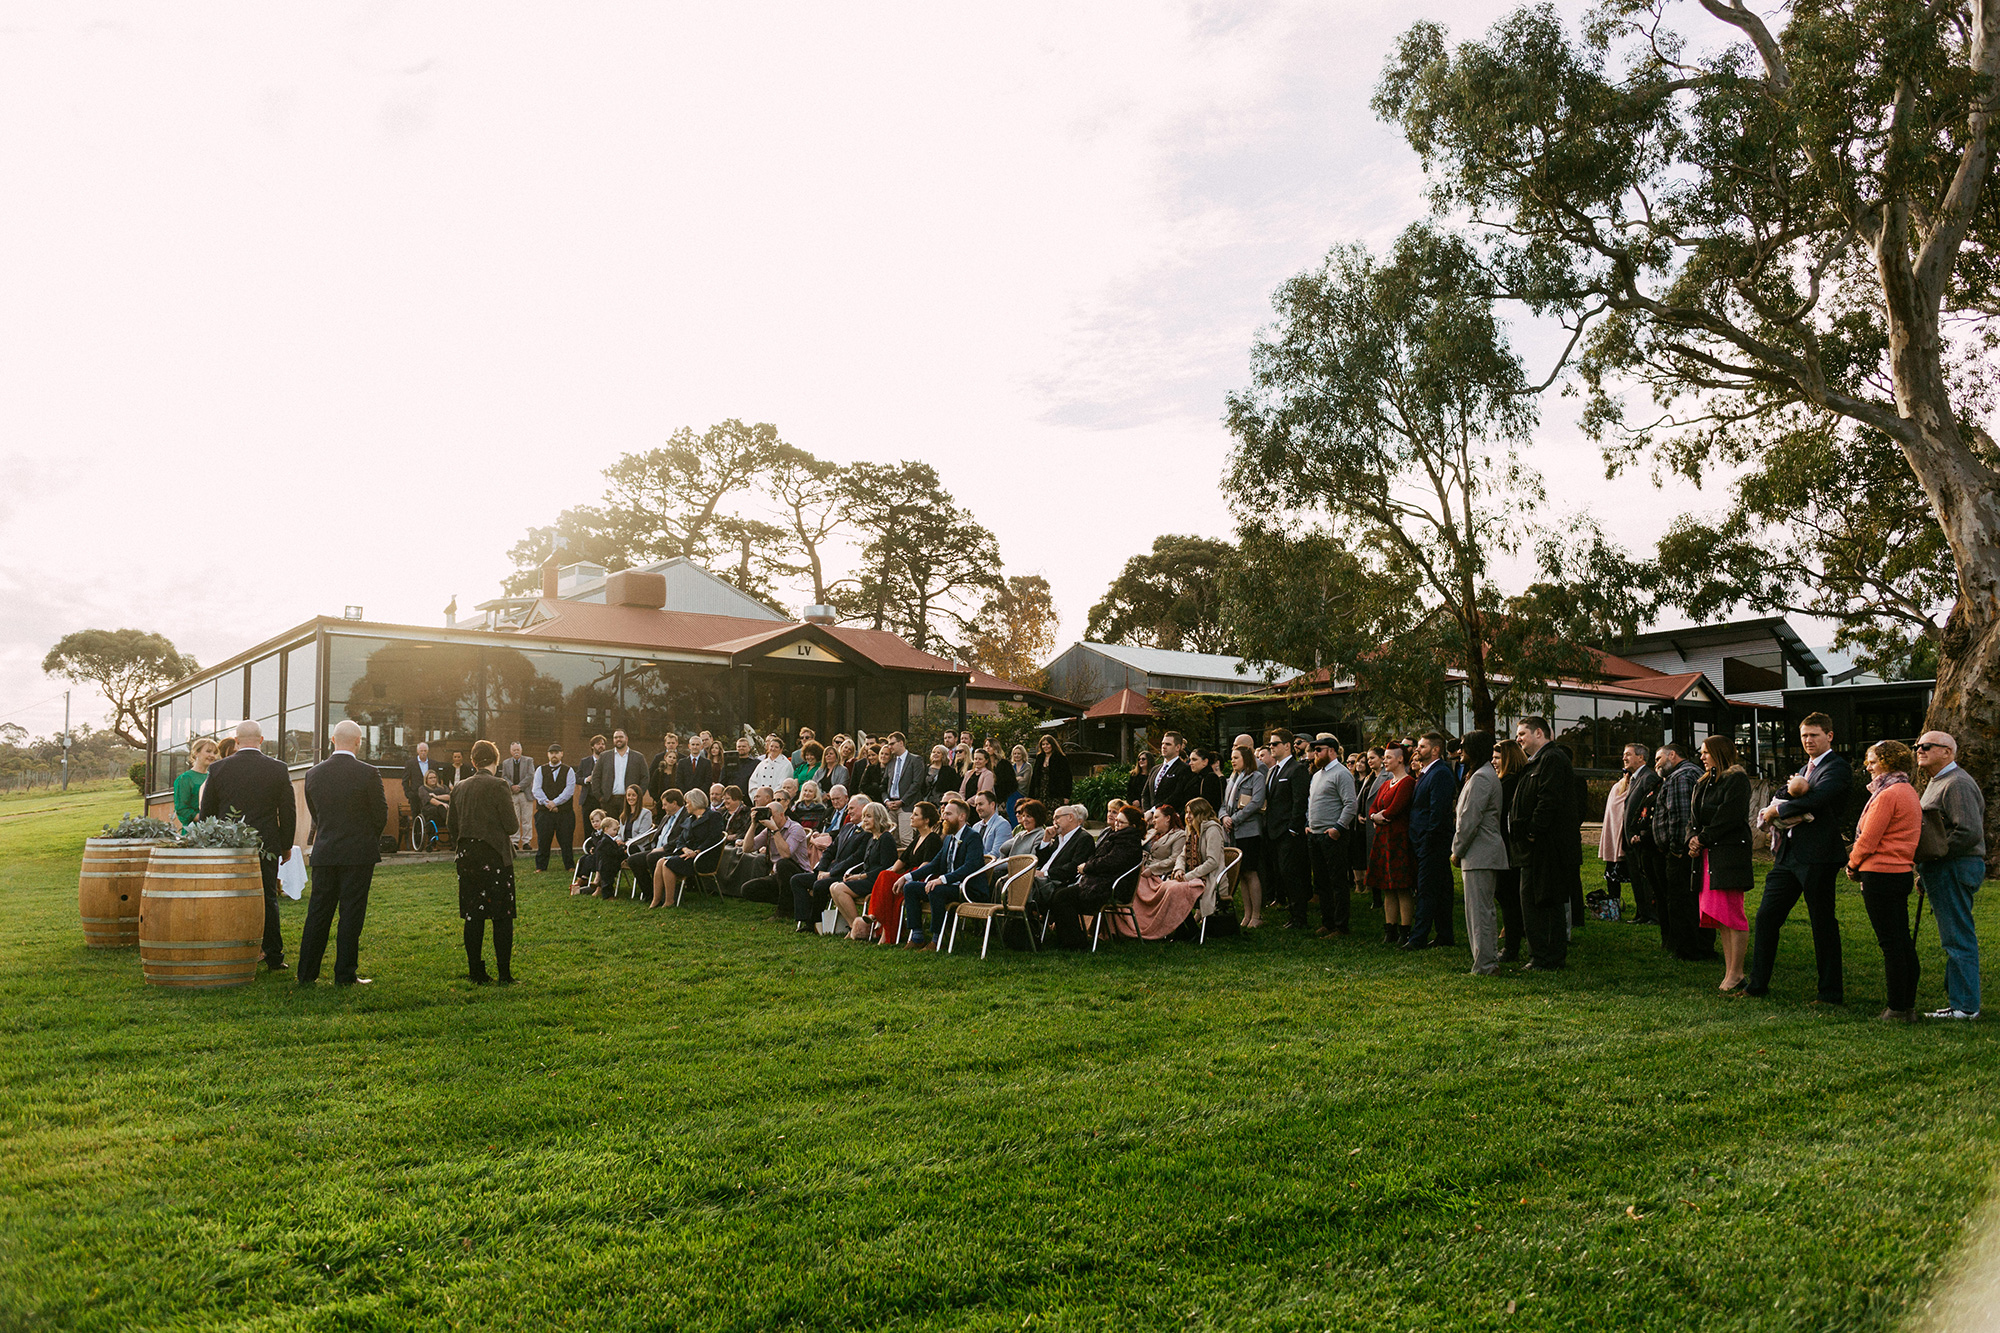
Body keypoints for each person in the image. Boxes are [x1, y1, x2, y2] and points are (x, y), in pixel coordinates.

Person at [1746, 712, 1851, 1004]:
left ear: (1829, 736)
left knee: (1822, 923)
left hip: (1818, 856)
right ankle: (1757, 985)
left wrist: (1777, 811)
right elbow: (1784, 791)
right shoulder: (1805, 768)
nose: (1808, 741)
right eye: (1804, 736)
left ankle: (1830, 993)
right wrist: (1788, 798)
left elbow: (1817, 800)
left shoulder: (1837, 767)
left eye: (1814, 735)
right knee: (1766, 917)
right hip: (1787, 855)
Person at [198, 720, 298, 972]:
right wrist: (286, 845)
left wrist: (212, 842)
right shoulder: (278, 768)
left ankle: (227, 949)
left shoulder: (219, 768)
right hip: (265, 842)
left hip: (228, 845)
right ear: (261, 741)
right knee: (267, 896)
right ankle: (274, 956)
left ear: (237, 740)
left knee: (226, 895)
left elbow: (207, 811)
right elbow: (287, 811)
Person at [298, 719, 389, 987]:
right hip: (358, 853)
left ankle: (306, 973)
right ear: (359, 742)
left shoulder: (313, 774)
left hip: (326, 850)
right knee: (351, 914)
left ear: (332, 740)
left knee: (318, 912)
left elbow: (316, 813)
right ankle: (345, 974)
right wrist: (365, 837)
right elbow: (380, 814)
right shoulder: (369, 772)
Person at [1849, 740, 1923, 1022]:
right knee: (1902, 941)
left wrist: (1852, 863)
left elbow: (1868, 839)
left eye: (1872, 761)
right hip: (1901, 872)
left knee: (1891, 944)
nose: (1867, 766)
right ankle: (1908, 1006)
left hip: (1879, 874)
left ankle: (1895, 1008)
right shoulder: (1908, 791)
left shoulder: (1888, 794)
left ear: (1888, 762)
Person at [1915, 730, 1987, 1020]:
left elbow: (1968, 832)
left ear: (1947, 752)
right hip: (1943, 867)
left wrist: (1935, 855)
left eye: (1927, 746)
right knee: (1953, 936)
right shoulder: (1937, 781)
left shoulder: (1956, 783)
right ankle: (1958, 1001)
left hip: (1955, 866)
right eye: (1917, 746)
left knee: (1958, 937)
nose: (1919, 750)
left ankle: (1966, 1007)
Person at [1508, 717, 1582, 972]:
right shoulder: (1536, 762)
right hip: (1535, 848)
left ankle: (1548, 958)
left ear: (1539, 732)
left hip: (1546, 848)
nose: (1518, 739)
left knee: (1545, 903)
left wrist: (1532, 831)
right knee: (1531, 902)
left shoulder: (1552, 759)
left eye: (1522, 734)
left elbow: (1548, 800)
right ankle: (1539, 955)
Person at [447, 739, 520, 984]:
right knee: (502, 915)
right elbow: (511, 825)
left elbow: (451, 825)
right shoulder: (499, 785)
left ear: (473, 761)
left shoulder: (459, 787)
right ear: (496, 761)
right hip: (494, 855)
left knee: (472, 915)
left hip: (467, 856)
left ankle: (475, 972)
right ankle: (504, 973)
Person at [1688, 735, 1754, 993]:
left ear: (1719, 752)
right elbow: (1693, 816)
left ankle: (1736, 972)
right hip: (1707, 855)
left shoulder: (1736, 780)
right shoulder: (1704, 781)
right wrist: (1691, 839)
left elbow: (1730, 815)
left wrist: (1702, 839)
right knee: (1721, 917)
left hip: (1728, 855)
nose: (1702, 757)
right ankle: (1730, 971)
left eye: (1706, 752)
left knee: (1732, 914)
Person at [1048, 805, 1145, 950]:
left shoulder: (1128, 842)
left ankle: (1075, 942)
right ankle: (1069, 938)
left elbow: (1110, 863)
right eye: (1117, 821)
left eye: (1121, 822)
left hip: (1111, 888)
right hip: (1101, 883)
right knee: (1060, 893)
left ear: (1132, 826)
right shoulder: (1117, 838)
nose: (1117, 824)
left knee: (1062, 897)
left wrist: (1087, 867)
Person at [1451, 731, 1507, 976]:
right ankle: (1485, 962)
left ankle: (1485, 965)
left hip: (1480, 853)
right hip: (1479, 853)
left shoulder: (1482, 778)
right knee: (1480, 911)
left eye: (1463, 746)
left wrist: (1456, 850)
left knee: (1479, 912)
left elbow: (1469, 820)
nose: (1459, 750)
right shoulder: (1479, 775)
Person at [1651, 742, 1713, 963]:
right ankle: (1701, 946)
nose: (1656, 764)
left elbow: (1681, 816)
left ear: (1673, 755)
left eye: (1659, 759)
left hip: (1682, 854)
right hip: (1693, 851)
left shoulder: (1680, 777)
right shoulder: (1695, 773)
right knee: (1696, 901)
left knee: (1681, 902)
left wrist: (1678, 850)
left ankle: (1688, 950)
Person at [905, 796, 985, 951]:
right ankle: (917, 936)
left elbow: (970, 866)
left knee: (936, 889)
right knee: (911, 888)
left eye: (948, 814)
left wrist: (942, 879)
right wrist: (907, 877)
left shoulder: (972, 837)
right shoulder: (949, 838)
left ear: (961, 816)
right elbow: (934, 864)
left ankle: (937, 939)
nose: (943, 818)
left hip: (968, 889)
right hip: (950, 887)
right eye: (944, 814)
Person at [792, 794, 873, 932]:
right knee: (797, 880)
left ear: (864, 808)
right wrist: (820, 870)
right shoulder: (847, 827)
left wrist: (830, 873)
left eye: (852, 808)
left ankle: (814, 923)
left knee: (820, 885)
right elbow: (830, 850)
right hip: (830, 871)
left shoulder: (868, 832)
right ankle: (804, 918)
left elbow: (856, 858)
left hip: (847, 875)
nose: (849, 811)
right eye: (848, 809)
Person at [865, 799, 942, 942]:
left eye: (915, 815)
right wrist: (893, 872)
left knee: (887, 879)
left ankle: (877, 918)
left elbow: (926, 866)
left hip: (921, 877)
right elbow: (901, 861)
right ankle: (880, 922)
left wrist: (905, 877)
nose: (911, 817)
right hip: (908, 875)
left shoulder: (933, 839)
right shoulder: (917, 838)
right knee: (885, 875)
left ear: (926, 820)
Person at [1304, 734, 1358, 937]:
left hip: (1332, 836)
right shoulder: (1317, 774)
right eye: (1314, 750)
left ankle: (1341, 926)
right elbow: (1312, 802)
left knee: (1337, 882)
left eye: (1320, 750)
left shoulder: (1341, 773)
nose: (1315, 753)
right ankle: (1327, 922)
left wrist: (1338, 828)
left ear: (1332, 751)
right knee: (1321, 882)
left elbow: (1350, 804)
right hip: (1315, 835)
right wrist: (1309, 824)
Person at [1366, 740, 1416, 944]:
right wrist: (1375, 816)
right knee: (1388, 887)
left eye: (1388, 757)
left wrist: (1379, 816)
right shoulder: (1386, 784)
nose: (1385, 761)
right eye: (1384, 757)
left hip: (1399, 839)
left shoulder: (1408, 782)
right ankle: (1390, 929)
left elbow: (1394, 809)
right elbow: (1373, 808)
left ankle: (1405, 929)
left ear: (1400, 759)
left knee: (1402, 887)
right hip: (1384, 839)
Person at [826, 802, 899, 936]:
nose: (864, 820)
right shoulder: (872, 838)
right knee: (833, 887)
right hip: (867, 877)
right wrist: (855, 875)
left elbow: (886, 867)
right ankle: (855, 926)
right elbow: (867, 865)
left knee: (839, 888)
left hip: (878, 881)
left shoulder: (886, 838)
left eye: (869, 816)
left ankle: (859, 928)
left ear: (878, 818)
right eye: (864, 816)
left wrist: (860, 877)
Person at [651, 788, 725, 907]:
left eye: (687, 802)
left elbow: (714, 838)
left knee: (667, 864)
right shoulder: (690, 819)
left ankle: (669, 901)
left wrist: (697, 851)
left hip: (703, 857)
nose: (685, 806)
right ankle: (656, 899)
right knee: (660, 861)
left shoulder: (713, 816)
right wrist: (685, 849)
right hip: (687, 854)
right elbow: (681, 839)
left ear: (695, 802)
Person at [1264, 728, 1309, 918]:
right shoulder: (1273, 770)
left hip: (1287, 831)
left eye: (1275, 744)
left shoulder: (1296, 769)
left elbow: (1300, 801)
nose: (1271, 747)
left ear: (1287, 746)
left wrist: (1292, 827)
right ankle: (1292, 910)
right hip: (1272, 829)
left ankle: (1299, 915)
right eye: (1270, 744)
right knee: (1281, 873)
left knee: (1291, 872)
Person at [1222, 744, 1267, 928]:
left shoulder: (1256, 777)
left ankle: (1256, 915)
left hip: (1249, 832)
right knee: (1241, 874)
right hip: (1233, 832)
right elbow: (1224, 803)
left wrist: (1235, 819)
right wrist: (1224, 817)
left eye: (1236, 757)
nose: (1232, 761)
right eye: (1231, 757)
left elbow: (1256, 803)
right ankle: (1247, 915)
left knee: (1251, 871)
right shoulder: (1232, 778)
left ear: (1246, 759)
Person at [1492, 739, 1529, 962]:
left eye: (1497, 758)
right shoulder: (1511, 781)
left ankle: (1511, 945)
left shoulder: (1508, 784)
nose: (1493, 762)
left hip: (1507, 847)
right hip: (1508, 847)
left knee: (1508, 896)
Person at [1619, 744, 1662, 928]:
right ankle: (1642, 913)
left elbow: (1652, 807)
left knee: (1646, 879)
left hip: (1642, 840)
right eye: (1624, 755)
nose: (1624, 758)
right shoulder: (1635, 778)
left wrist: (1641, 833)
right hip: (1631, 840)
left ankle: (1652, 915)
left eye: (1628, 754)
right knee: (1636, 878)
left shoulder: (1649, 778)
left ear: (1641, 758)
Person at [531, 744, 578, 873]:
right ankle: (541, 866)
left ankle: (569, 866)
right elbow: (536, 789)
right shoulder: (540, 770)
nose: (554, 755)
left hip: (565, 813)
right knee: (543, 840)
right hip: (544, 813)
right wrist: (548, 804)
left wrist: (555, 803)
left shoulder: (569, 771)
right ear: (548, 754)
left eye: (556, 752)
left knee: (566, 840)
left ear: (561, 754)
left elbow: (569, 791)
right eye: (551, 753)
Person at [589, 730, 642, 815]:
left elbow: (645, 777)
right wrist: (600, 797)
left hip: (629, 801)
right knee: (609, 827)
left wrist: (638, 795)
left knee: (627, 827)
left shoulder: (638, 757)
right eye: (615, 737)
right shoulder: (604, 756)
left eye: (621, 737)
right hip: (608, 801)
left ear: (626, 739)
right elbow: (595, 777)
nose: (618, 739)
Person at [1144, 732, 1199, 811]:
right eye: (1163, 743)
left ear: (1177, 747)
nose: (1163, 746)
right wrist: (1147, 812)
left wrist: (1155, 810)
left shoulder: (1185, 769)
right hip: (1151, 818)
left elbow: (1177, 795)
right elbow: (1145, 794)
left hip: (1170, 816)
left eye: (1168, 744)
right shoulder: (1154, 769)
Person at [174, 737, 218, 828]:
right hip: (194, 831)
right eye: (208, 751)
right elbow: (182, 809)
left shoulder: (214, 777)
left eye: (215, 753)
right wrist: (203, 819)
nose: (212, 755)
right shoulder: (185, 779)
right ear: (196, 753)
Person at [499, 743, 535, 851]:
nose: (516, 752)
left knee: (526, 819)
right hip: (513, 795)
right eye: (514, 750)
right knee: (515, 819)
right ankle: (514, 842)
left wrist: (519, 786)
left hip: (525, 794)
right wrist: (511, 786)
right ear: (510, 751)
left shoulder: (529, 761)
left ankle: (526, 842)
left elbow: (530, 775)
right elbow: (504, 776)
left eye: (518, 749)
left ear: (521, 750)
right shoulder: (506, 763)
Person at [401, 741, 438, 844]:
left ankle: (432, 842)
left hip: (429, 796)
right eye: (421, 751)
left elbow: (436, 780)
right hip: (415, 797)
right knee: (417, 819)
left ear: (428, 751)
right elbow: (405, 780)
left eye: (425, 751)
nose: (423, 753)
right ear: (417, 751)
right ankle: (417, 843)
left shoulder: (433, 764)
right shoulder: (410, 763)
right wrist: (408, 794)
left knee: (431, 816)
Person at [1027, 735, 1073, 807]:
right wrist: (1030, 796)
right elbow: (1034, 778)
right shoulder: (1039, 758)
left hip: (1055, 794)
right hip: (1040, 794)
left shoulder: (1060, 758)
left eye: (1047, 744)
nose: (1045, 746)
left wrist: (1067, 796)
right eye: (1043, 744)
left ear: (1052, 745)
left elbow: (1067, 778)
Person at [1187, 747, 1226, 813]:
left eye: (1194, 759)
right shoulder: (1194, 776)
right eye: (1190, 760)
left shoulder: (1210, 778)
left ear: (1205, 761)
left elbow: (1210, 805)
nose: (1190, 763)